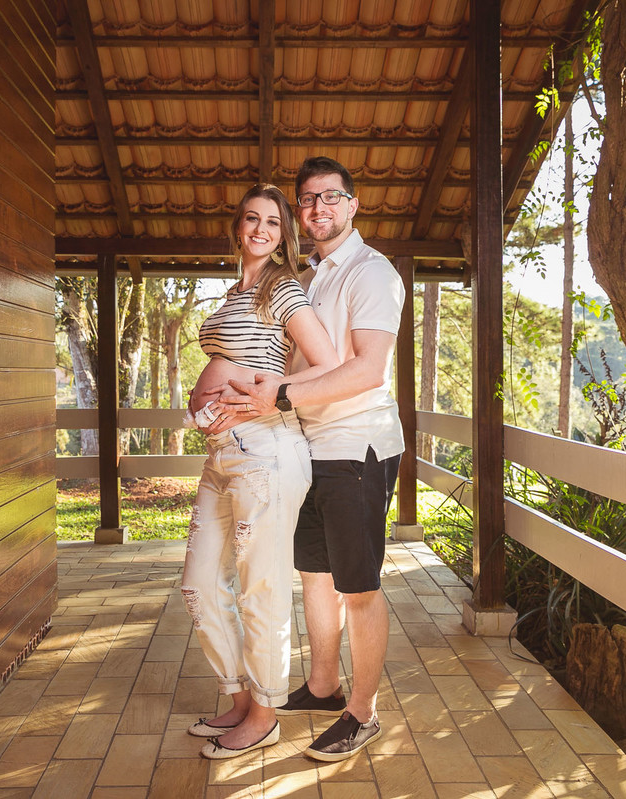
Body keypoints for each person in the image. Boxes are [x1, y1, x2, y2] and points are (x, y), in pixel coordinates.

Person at [212, 156, 405, 762]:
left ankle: (363, 713)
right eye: (308, 199)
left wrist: (279, 396)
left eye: (330, 196)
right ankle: (324, 687)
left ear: (353, 204)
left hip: (356, 446)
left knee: (358, 587)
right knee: (315, 576)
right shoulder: (308, 275)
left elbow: (368, 370)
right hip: (307, 446)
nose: (318, 207)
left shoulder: (372, 273)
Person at [179, 183, 339, 760]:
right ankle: (239, 696)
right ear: (238, 227)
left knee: (260, 587)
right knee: (199, 584)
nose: (261, 229)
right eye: (252, 218)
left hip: (266, 453)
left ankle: (265, 713)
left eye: (273, 221)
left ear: (283, 235)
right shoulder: (234, 293)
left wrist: (270, 394)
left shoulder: (282, 289)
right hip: (222, 455)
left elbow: (327, 362)